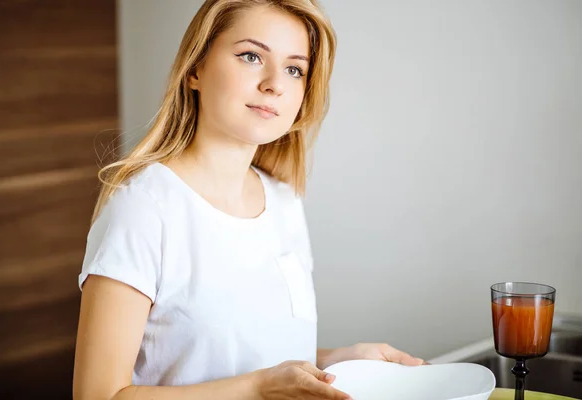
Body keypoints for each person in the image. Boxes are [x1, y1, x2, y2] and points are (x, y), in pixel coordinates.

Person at [73, 1, 426, 399]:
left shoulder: (283, 199)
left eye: (295, 69)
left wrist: (338, 360)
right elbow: (97, 395)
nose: (275, 83)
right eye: (251, 56)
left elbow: (244, 353)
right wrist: (257, 389)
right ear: (195, 68)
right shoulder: (144, 207)